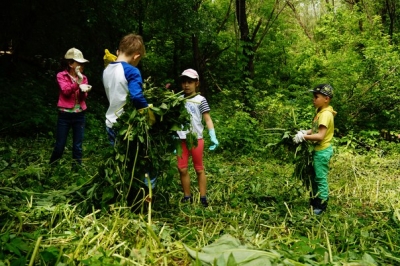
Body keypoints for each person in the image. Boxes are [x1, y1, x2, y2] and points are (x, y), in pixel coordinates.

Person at [102, 33, 156, 189]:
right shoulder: (132, 71)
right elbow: (137, 96)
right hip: (128, 126)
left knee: (121, 162)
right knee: (141, 162)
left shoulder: (107, 70)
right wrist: (148, 114)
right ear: (136, 56)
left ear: (118, 51)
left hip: (111, 123)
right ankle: (143, 195)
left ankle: (121, 192)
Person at [176, 69, 219, 207]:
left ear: (196, 83)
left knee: (199, 168)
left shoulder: (201, 100)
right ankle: (187, 196)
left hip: (196, 139)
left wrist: (212, 135)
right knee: (182, 169)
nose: (186, 85)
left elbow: (207, 119)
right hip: (180, 139)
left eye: (190, 82)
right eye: (184, 82)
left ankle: (203, 197)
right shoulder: (176, 99)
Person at [293, 84, 337, 215]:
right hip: (319, 150)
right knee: (315, 177)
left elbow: (320, 136)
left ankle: (322, 204)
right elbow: (316, 130)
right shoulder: (321, 112)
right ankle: (315, 199)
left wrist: (303, 137)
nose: (313, 99)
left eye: (316, 97)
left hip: (322, 151)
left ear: (326, 98)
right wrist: (304, 131)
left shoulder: (325, 115)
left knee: (320, 178)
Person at [50, 48, 91, 169]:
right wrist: (77, 82)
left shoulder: (84, 77)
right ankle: (51, 168)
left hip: (79, 115)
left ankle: (76, 170)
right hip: (65, 115)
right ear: (70, 63)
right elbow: (66, 91)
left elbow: (83, 97)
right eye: (78, 63)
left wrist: (84, 91)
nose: (81, 65)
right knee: (60, 145)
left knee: (77, 145)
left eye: (82, 63)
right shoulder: (61, 75)